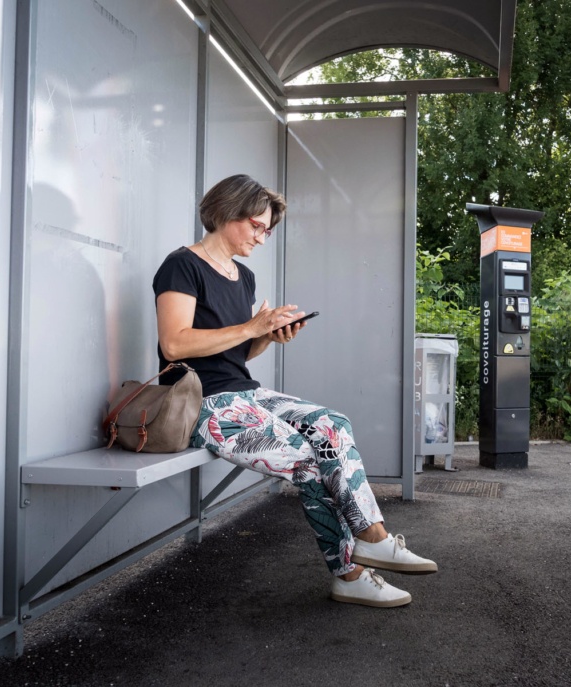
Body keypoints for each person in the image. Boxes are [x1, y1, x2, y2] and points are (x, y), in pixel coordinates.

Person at [153, 174, 436, 608]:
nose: (262, 238)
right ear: (226, 212)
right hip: (202, 403)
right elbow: (175, 343)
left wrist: (268, 336)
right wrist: (251, 326)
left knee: (332, 425)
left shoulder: (243, 277)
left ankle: (371, 536)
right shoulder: (182, 265)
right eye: (257, 226)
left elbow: (233, 352)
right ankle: (351, 572)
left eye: (267, 230)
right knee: (305, 459)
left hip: (245, 392)